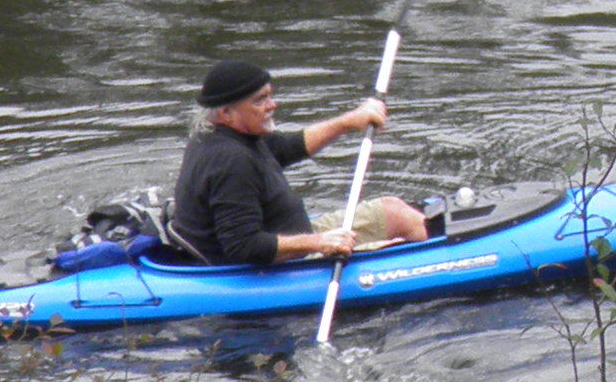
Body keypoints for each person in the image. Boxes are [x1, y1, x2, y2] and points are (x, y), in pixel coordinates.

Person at [163, 61, 428, 267]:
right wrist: (320, 242)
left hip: (294, 237)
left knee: (395, 211)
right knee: (407, 226)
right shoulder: (231, 161)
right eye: (260, 100)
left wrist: (349, 121)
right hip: (282, 263)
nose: (273, 105)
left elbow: (287, 147)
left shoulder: (221, 135)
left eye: (269, 96)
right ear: (226, 112)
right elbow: (244, 246)